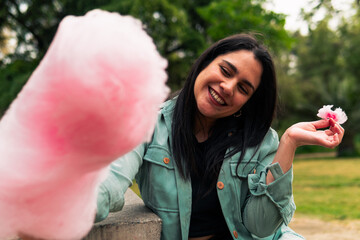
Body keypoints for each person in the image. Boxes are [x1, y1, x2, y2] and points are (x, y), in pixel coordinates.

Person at [95, 34, 344, 240]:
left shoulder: (261, 141)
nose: (228, 87)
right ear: (205, 62)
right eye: (225, 71)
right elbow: (109, 182)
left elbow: (262, 227)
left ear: (247, 102)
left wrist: (289, 142)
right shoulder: (147, 123)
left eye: (243, 88)